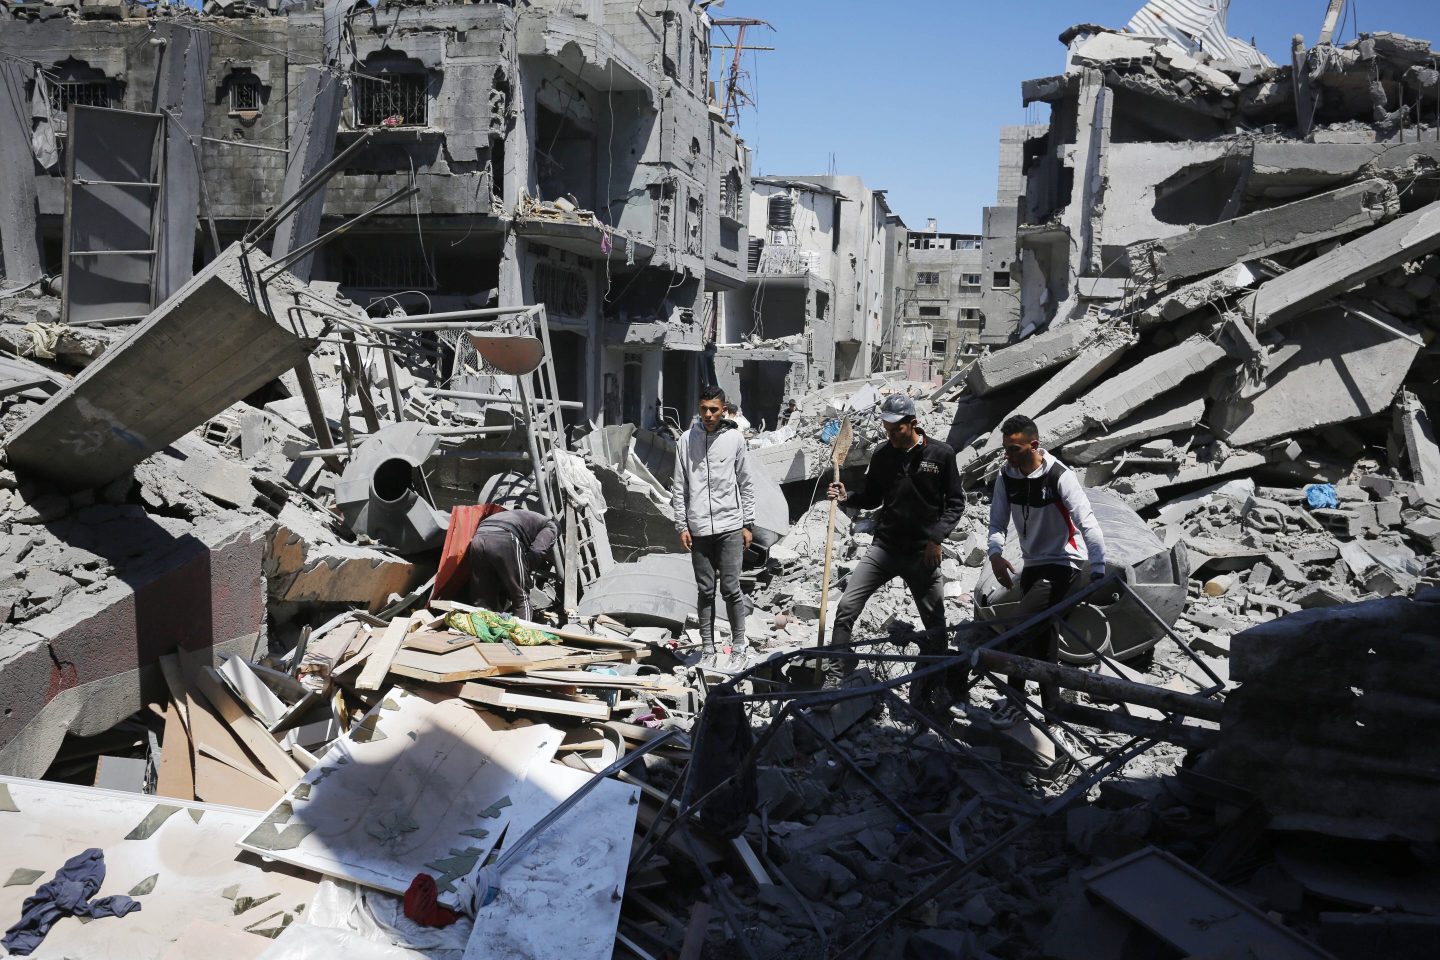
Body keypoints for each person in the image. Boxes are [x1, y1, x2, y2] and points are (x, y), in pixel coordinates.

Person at [825, 393, 965, 685]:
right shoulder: (882, 455)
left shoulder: (941, 454)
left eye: (896, 429)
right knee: (847, 606)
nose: (891, 436)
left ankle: (938, 682)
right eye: (887, 430)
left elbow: (955, 504)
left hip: (922, 553)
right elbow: (873, 497)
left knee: (935, 621)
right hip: (885, 548)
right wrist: (848, 496)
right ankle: (835, 675)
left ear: (913, 422)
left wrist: (936, 539)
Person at [986, 414, 1107, 726]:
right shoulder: (1006, 476)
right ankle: (1053, 711)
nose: (1008, 456)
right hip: (1033, 564)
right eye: (1005, 449)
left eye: (1014, 449)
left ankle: (1015, 703)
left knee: (1018, 630)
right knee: (1043, 642)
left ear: (1034, 445)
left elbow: (1087, 522)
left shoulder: (1058, 476)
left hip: (1064, 564)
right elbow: (997, 523)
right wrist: (995, 554)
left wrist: (1098, 567)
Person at [671, 385, 757, 661]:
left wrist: (747, 523)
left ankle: (739, 645)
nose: (708, 415)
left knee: (730, 588)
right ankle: (707, 648)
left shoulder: (735, 439)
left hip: (730, 526)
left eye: (713, 410)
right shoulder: (686, 440)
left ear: (724, 410)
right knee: (706, 590)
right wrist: (682, 525)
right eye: (703, 409)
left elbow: (746, 483)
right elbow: (679, 486)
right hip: (698, 529)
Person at [468, 508, 558, 621]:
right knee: (521, 597)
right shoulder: (551, 526)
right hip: (504, 538)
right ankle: (523, 630)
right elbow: (537, 551)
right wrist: (525, 573)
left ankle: (480, 626)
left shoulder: (524, 515)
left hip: (478, 538)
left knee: (482, 596)